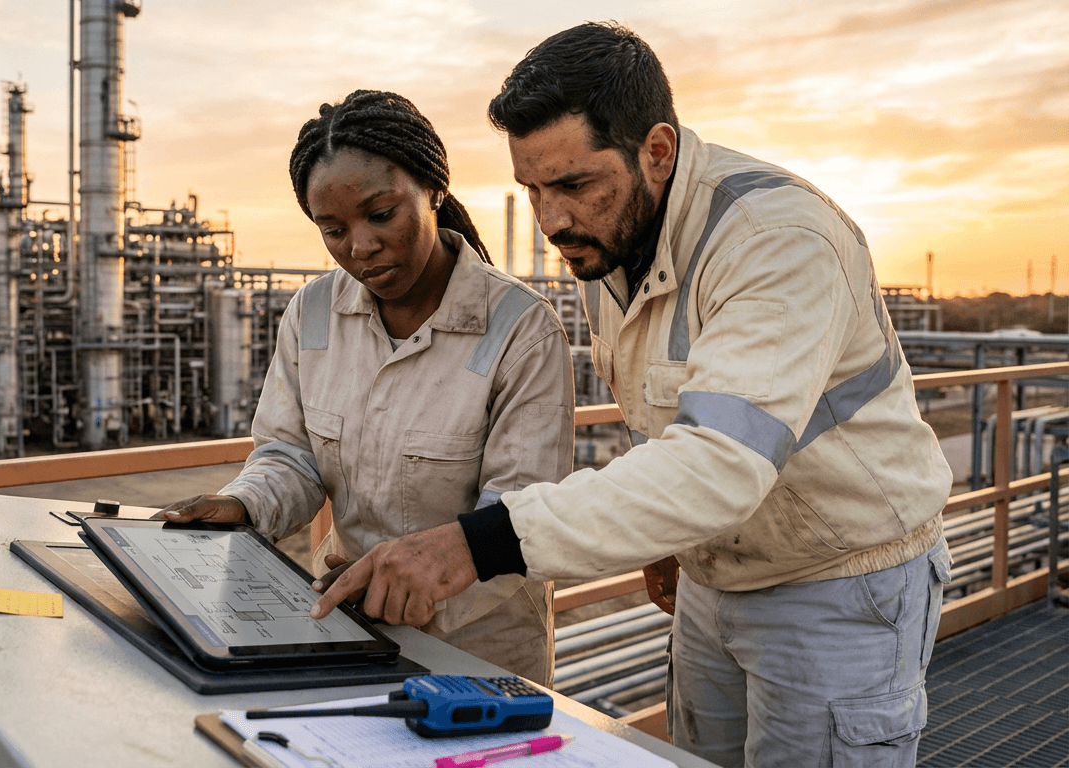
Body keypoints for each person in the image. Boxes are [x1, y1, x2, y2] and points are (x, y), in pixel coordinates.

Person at [312, 23, 953, 768]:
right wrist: (671, 535)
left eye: (575, 185)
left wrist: (470, 545)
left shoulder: (776, 240)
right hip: (716, 580)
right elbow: (672, 409)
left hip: (838, 584)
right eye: (533, 190)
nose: (552, 219)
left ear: (657, 150)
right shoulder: (611, 247)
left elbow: (718, 464)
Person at [160, 90, 575, 685]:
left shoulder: (522, 330)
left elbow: (519, 518)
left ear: (433, 188)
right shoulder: (313, 313)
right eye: (332, 229)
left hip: (480, 653)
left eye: (381, 215)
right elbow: (292, 457)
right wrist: (244, 504)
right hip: (346, 628)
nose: (359, 247)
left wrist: (421, 580)